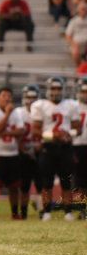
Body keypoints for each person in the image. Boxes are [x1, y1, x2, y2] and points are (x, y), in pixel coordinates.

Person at [31, 77, 80, 221]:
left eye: (58, 88)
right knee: (47, 182)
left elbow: (78, 128)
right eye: (53, 88)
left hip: (65, 147)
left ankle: (67, 211)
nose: (56, 91)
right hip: (48, 147)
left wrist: (67, 134)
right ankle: (46, 211)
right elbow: (35, 131)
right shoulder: (40, 105)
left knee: (66, 181)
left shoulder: (71, 105)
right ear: (48, 89)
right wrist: (53, 135)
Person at [0, 87, 24, 220]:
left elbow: (20, 131)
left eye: (9, 96)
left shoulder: (16, 113)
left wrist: (5, 133)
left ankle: (14, 213)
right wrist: (7, 115)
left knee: (14, 186)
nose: (7, 99)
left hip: (12, 153)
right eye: (4, 96)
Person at [15, 84, 42, 219]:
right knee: (24, 186)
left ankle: (43, 212)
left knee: (41, 185)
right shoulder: (19, 112)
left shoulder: (43, 110)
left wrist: (40, 145)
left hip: (40, 150)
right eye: (29, 97)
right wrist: (22, 148)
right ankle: (23, 213)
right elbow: (16, 132)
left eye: (34, 97)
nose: (31, 100)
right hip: (23, 152)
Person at [72, 78, 87, 220]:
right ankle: (83, 210)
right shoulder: (73, 106)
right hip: (78, 146)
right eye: (83, 91)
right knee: (81, 182)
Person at [65, 0, 87, 65]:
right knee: (75, 51)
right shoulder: (73, 21)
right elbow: (68, 36)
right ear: (78, 10)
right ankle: (79, 68)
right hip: (77, 45)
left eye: (85, 9)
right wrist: (74, 44)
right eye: (82, 9)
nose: (84, 10)